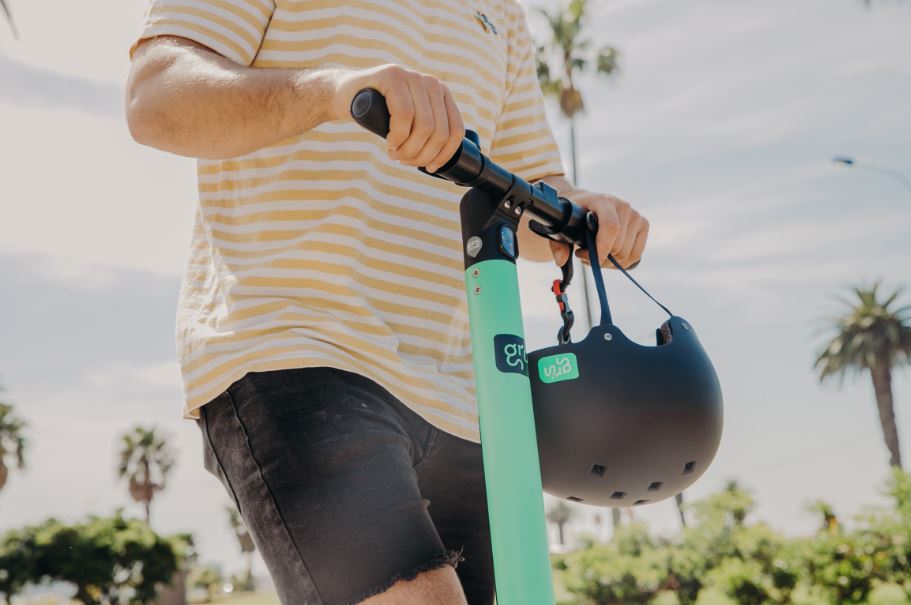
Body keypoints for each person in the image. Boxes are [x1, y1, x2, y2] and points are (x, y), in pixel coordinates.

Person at [126, 1, 649, 603]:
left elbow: (528, 193)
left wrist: (585, 213)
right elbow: (156, 96)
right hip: (294, 344)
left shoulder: (501, 10)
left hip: (463, 398)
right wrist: (332, 90)